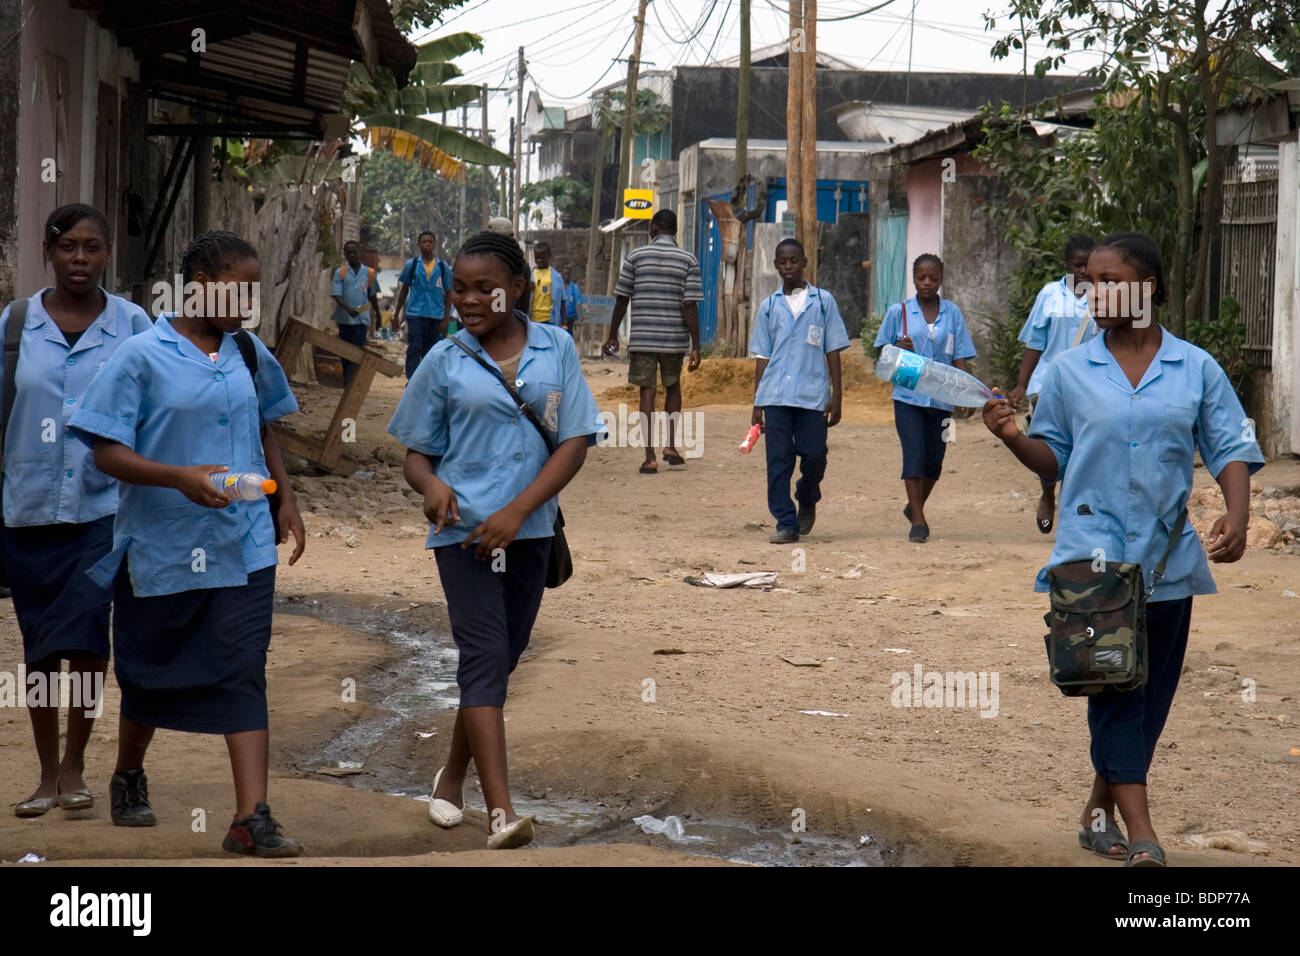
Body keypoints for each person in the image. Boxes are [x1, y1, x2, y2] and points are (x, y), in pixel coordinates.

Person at [982, 232, 1263, 867]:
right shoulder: (1068, 371)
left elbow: (1230, 446)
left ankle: (1098, 809)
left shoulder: (1195, 369)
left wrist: (1238, 514)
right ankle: (1143, 834)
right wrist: (1010, 436)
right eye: (1091, 281)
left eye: (1111, 280)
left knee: (1150, 699)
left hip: (1169, 563)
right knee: (1112, 691)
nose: (1095, 292)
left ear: (1151, 287)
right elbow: (1051, 456)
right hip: (1092, 564)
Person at [69, 230, 309, 858]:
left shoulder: (249, 352)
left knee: (242, 667)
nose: (248, 302)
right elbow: (104, 448)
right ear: (198, 283)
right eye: (238, 287)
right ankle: (128, 773)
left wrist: (286, 498)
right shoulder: (141, 356)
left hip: (244, 542)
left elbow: (265, 427)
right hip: (163, 543)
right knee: (152, 667)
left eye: (255, 290)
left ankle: (249, 817)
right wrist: (179, 477)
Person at [388, 231, 602, 850]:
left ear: (517, 291)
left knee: (499, 664)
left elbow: (574, 442)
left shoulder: (556, 347)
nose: (469, 300)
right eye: (459, 288)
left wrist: (518, 511)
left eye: (485, 289)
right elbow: (415, 456)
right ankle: (501, 812)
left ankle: (451, 776)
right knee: (483, 659)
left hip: (531, 531)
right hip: (463, 537)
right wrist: (430, 486)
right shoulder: (445, 360)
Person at [1, 203, 152, 818]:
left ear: (107, 253)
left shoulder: (135, 326)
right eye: (69, 248)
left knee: (88, 634)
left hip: (104, 511)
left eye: (92, 247)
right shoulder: (14, 325)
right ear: (49, 251)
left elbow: (158, 404)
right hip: (26, 511)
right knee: (40, 645)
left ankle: (75, 765)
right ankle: (43, 772)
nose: (81, 259)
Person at [748, 238, 849, 544]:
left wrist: (837, 395)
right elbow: (762, 356)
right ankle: (786, 522)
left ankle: (807, 494)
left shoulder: (822, 302)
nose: (788, 266)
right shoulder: (768, 307)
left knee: (814, 453)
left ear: (804, 262)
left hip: (811, 395)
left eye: (794, 261)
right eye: (782, 261)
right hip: (776, 395)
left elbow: (833, 350)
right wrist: (757, 401)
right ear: (776, 265)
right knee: (778, 459)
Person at [872, 253, 976, 542]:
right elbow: (880, 352)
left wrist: (964, 393)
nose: (927, 283)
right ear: (913, 278)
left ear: (941, 277)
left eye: (933, 277)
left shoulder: (952, 313)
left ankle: (913, 505)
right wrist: (897, 346)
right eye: (921, 277)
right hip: (909, 397)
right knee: (914, 453)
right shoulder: (900, 311)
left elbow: (960, 356)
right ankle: (918, 520)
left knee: (935, 460)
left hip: (941, 398)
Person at [1008, 235, 1098, 534]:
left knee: (1083, 448)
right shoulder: (1049, 294)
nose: (1084, 271)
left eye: (1088, 265)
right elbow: (1035, 343)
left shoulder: (1104, 296)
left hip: (1090, 385)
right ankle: (1048, 495)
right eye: (1077, 265)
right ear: (1066, 265)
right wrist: (1021, 385)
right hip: (1047, 384)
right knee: (1048, 443)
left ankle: (1074, 508)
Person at [603, 209, 703, 474]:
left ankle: (650, 457)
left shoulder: (635, 256)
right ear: (675, 230)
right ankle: (670, 445)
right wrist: (696, 346)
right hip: (673, 339)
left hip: (644, 338)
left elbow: (622, 298)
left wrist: (613, 334)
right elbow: (690, 305)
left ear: (654, 229)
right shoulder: (688, 259)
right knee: (673, 387)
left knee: (647, 391)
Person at [394, 231, 454, 379]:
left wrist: (446, 318)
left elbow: (450, 293)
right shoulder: (412, 265)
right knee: (415, 347)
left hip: (436, 316)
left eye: (430, 242)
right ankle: (412, 379)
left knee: (432, 351)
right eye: (424, 242)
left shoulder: (442, 267)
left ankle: (427, 381)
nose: (427, 244)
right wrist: (396, 314)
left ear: (435, 244)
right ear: (419, 244)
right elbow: (404, 290)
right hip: (415, 314)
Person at [330, 240, 380, 385]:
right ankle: (347, 376)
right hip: (344, 319)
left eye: (354, 251)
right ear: (345, 255)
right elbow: (336, 296)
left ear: (360, 252)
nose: (352, 255)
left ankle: (350, 380)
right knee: (345, 350)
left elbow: (372, 296)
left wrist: (378, 314)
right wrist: (347, 308)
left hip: (361, 319)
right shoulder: (341, 272)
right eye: (349, 252)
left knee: (358, 350)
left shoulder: (369, 273)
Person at [523, 242, 564, 326]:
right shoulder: (530, 276)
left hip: (550, 321)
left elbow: (562, 300)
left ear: (549, 256)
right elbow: (522, 300)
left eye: (542, 258)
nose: (539, 260)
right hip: (533, 320)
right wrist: (527, 288)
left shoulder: (556, 277)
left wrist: (564, 322)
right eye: (537, 258)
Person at [561, 267, 582, 334]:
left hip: (570, 317)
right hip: (560, 317)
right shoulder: (559, 286)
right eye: (565, 274)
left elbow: (578, 302)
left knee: (569, 334)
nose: (566, 276)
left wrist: (580, 316)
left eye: (568, 274)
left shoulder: (574, 287)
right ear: (562, 275)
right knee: (562, 334)